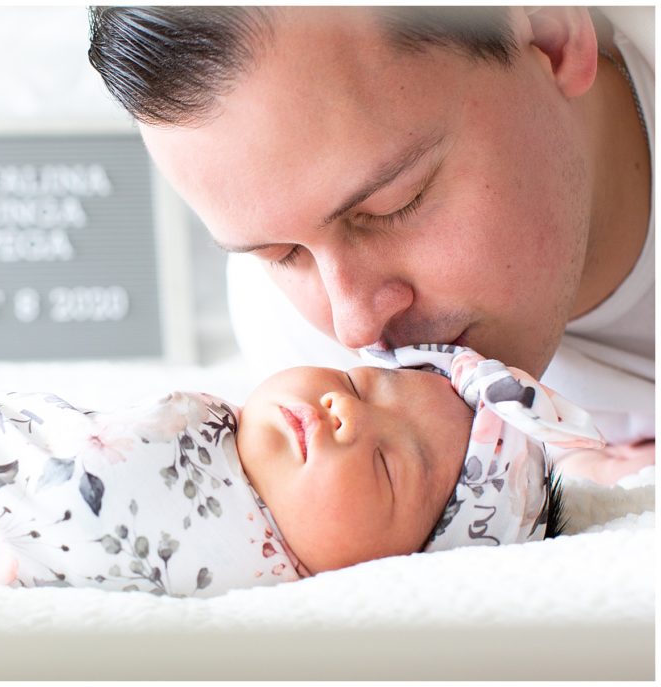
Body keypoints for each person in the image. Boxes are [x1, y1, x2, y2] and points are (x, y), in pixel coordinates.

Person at [0, 321, 601, 607]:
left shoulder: (261, 571)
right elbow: (9, 438)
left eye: (389, 469)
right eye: (360, 380)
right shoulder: (216, 429)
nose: (342, 411)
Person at [87, 6, 654, 468]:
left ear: (551, 36)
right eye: (281, 257)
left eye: (392, 206)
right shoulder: (299, 360)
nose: (353, 327)